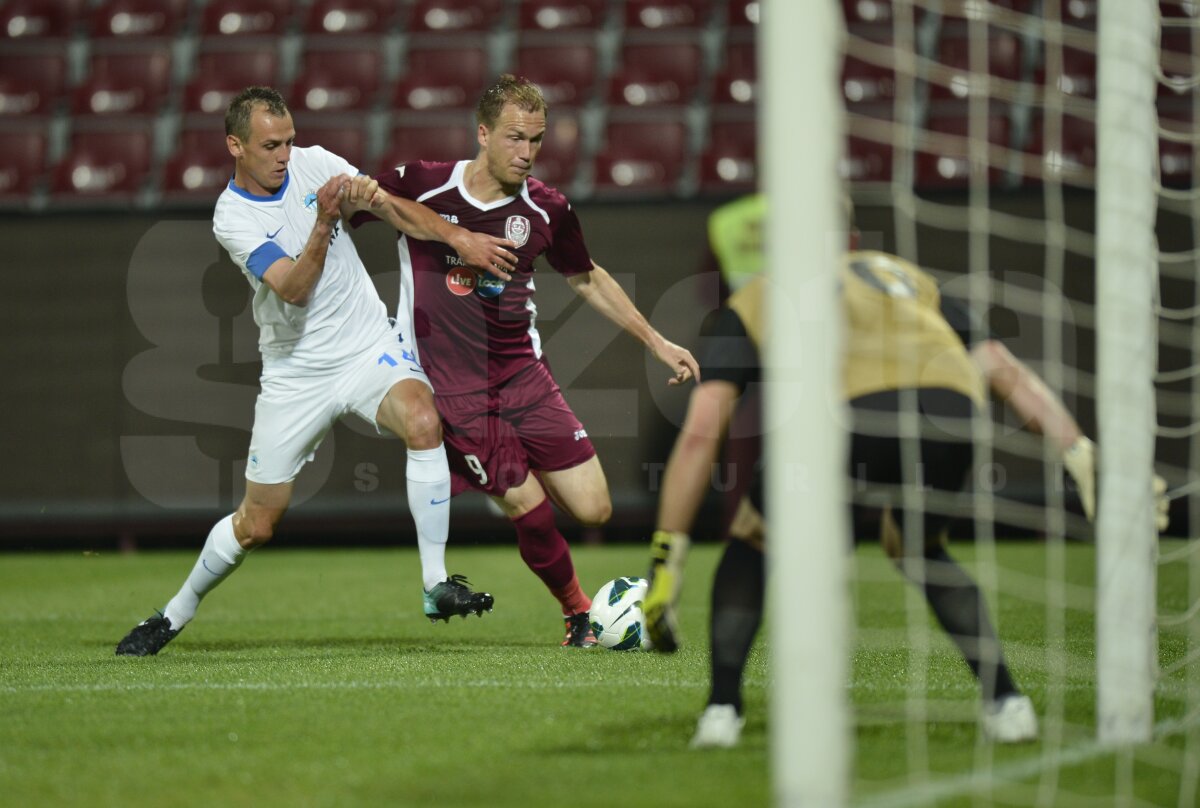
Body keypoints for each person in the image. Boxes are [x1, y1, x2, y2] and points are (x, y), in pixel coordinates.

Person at [644, 244, 1171, 748]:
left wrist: (669, 557)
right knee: (918, 546)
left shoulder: (759, 294)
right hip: (954, 409)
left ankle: (722, 711)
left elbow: (700, 432)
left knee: (754, 539)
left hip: (846, 413)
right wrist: (1077, 449)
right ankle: (1008, 705)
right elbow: (1004, 372)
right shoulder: (902, 275)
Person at [115, 86, 520, 656]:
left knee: (423, 421)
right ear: (235, 145)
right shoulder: (231, 217)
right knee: (257, 524)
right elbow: (294, 289)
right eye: (270, 145)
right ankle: (173, 614)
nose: (285, 155)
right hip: (295, 374)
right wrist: (325, 220)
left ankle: (435, 583)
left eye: (289, 141)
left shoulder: (317, 163)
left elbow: (389, 207)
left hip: (365, 348)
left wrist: (458, 237)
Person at [353, 75, 700, 647]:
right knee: (529, 506)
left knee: (595, 509)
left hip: (523, 375)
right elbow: (352, 206)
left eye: (536, 140)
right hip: (454, 392)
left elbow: (586, 275)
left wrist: (656, 340)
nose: (527, 153)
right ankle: (578, 614)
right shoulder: (423, 184)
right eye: (515, 138)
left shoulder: (546, 207)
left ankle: (505, 481)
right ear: (483, 133)